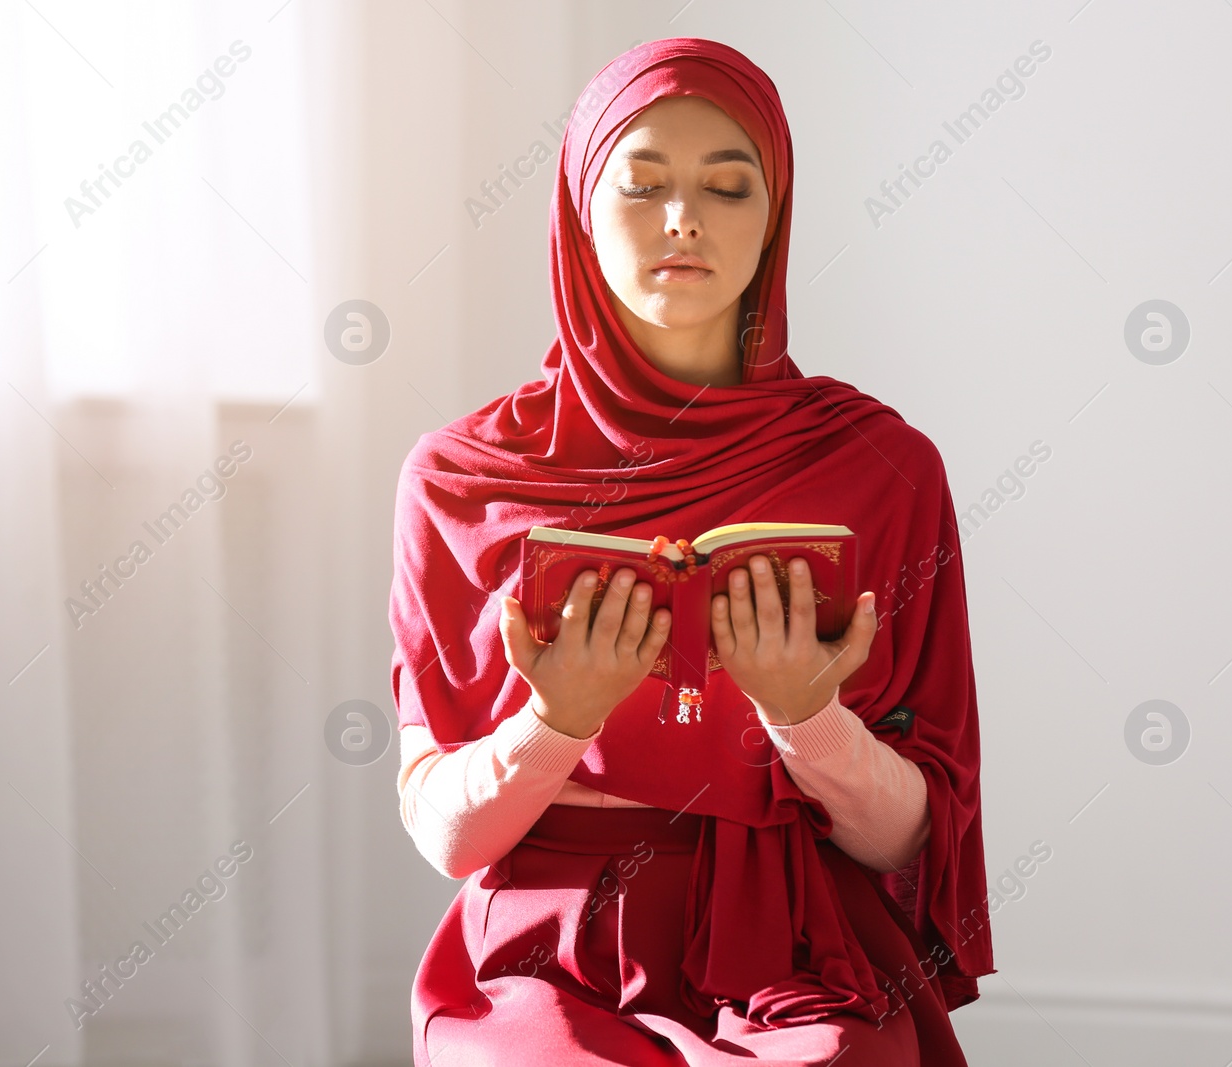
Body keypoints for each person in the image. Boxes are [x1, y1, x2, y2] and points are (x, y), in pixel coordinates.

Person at [388, 36, 994, 1066]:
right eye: (642, 184)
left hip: (807, 943)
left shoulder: (884, 467)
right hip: (549, 951)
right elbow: (449, 835)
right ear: (579, 210)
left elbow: (913, 843)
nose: (685, 218)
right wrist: (554, 720)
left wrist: (807, 713)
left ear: (776, 218)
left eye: (728, 185)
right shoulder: (460, 477)